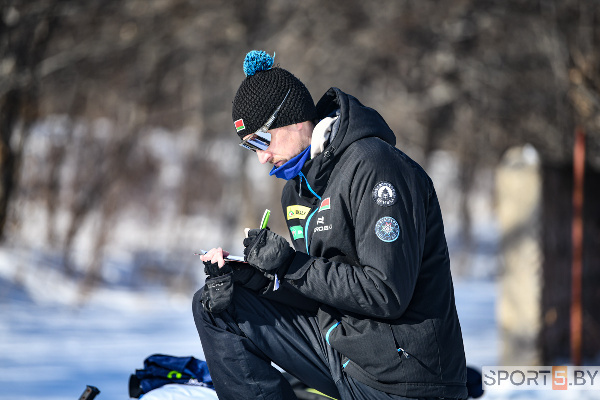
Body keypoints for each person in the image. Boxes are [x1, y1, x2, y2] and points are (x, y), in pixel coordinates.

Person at [193, 50, 468, 400]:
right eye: (251, 148)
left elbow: (386, 294)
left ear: (293, 119)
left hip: (405, 379)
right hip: (343, 353)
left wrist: (291, 265)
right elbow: (319, 290)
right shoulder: (296, 191)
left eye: (262, 140)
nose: (261, 156)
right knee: (216, 306)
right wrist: (258, 281)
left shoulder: (376, 168)